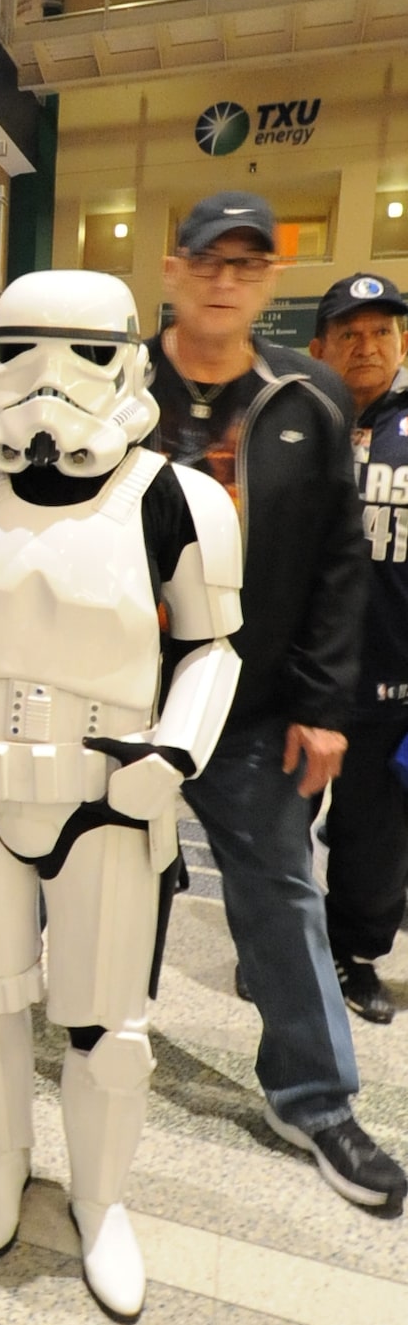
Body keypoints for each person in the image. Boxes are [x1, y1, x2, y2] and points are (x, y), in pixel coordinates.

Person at [0, 269, 243, 1321]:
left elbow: (212, 647)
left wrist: (172, 754)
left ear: (128, 358)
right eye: (18, 349)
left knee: (107, 1028)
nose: (46, 381)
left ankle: (100, 1200)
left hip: (112, 795)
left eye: (81, 352)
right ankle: (0, 1157)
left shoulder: (178, 500)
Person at [148, 191, 406, 1212]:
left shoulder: (305, 397)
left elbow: (338, 564)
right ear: (172, 269)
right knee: (100, 879)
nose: (224, 278)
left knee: (282, 895)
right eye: (208, 259)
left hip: (247, 708)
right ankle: (96, 1035)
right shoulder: (115, 384)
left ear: (266, 279)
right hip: (119, 699)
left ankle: (311, 1098)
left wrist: (322, 704)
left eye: (246, 264)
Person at [310, 274, 408, 1023]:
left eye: (381, 332)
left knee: (373, 845)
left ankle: (352, 954)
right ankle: (277, 950)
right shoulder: (295, 423)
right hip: (299, 680)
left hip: (390, 685)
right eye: (349, 333)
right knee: (276, 834)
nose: (365, 346)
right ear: (321, 348)